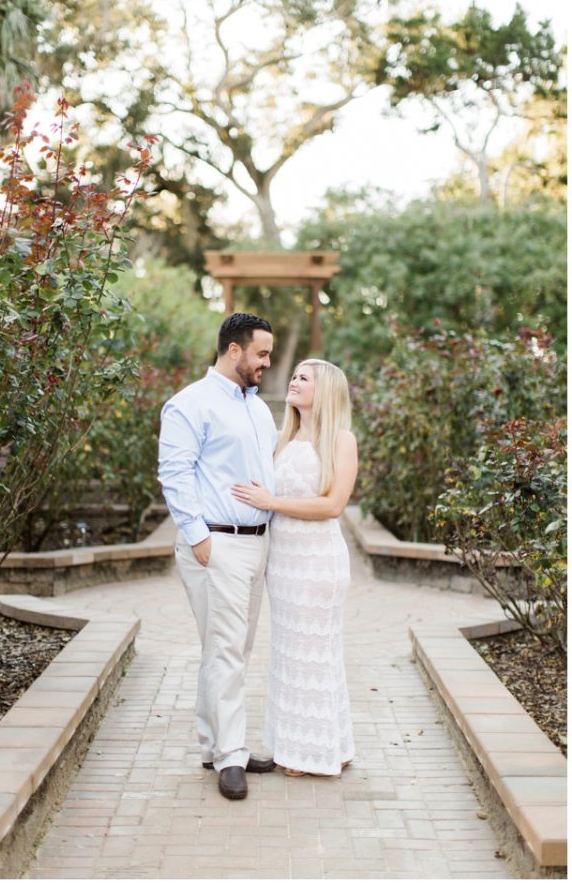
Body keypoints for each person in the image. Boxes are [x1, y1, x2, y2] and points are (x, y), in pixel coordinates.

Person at [157, 312, 279, 801]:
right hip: (217, 543)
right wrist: (198, 537)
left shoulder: (258, 408)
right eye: (262, 354)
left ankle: (214, 743)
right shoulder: (190, 404)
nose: (266, 363)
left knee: (231, 648)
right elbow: (174, 473)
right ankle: (231, 756)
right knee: (227, 649)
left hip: (257, 543)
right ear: (234, 350)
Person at [231, 359, 357, 777]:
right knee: (289, 654)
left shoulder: (340, 440)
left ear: (326, 391)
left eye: (305, 377)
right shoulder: (283, 439)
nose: (294, 381)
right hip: (282, 564)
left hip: (317, 563)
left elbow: (333, 505)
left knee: (315, 653)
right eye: (295, 375)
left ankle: (310, 753)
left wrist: (272, 503)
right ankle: (326, 744)